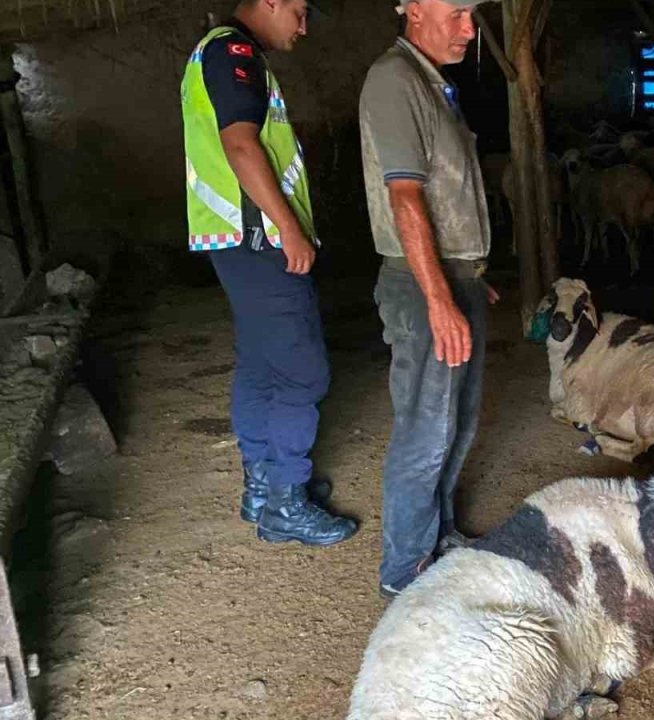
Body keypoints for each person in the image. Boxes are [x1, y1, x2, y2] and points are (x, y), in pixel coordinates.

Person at [180, 0, 358, 546]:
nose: (303, 25)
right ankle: (284, 500)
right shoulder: (234, 52)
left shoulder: (216, 52)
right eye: (300, 10)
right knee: (303, 372)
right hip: (258, 235)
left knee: (260, 363)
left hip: (233, 237)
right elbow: (240, 143)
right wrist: (289, 228)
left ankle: (262, 486)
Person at [359, 0, 498, 599]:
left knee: (455, 424)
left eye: (475, 14)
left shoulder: (432, 83)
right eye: (459, 12)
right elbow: (406, 200)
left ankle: (436, 538)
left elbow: (446, 194)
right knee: (426, 429)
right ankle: (404, 575)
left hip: (450, 278)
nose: (470, 29)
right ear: (413, 9)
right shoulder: (394, 79)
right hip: (423, 287)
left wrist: (467, 274)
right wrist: (439, 297)